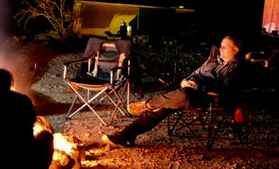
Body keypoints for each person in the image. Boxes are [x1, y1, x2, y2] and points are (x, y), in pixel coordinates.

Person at [103, 35, 244, 147]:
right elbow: (195, 73)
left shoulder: (235, 69)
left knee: (182, 95)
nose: (221, 48)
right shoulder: (214, 60)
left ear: (235, 51)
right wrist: (184, 81)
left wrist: (197, 86)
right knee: (160, 109)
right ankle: (125, 135)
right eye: (221, 45)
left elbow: (223, 89)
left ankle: (147, 104)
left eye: (225, 46)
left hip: (207, 98)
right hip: (188, 90)